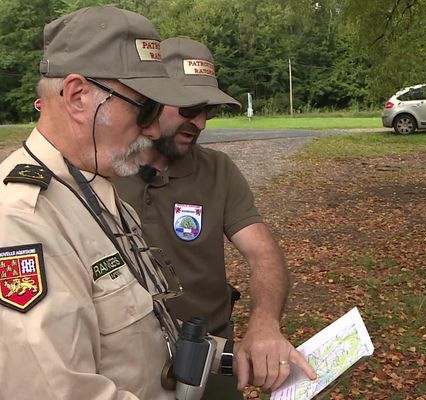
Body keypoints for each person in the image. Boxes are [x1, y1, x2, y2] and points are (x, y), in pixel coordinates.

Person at [0, 6, 234, 399]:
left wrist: (230, 355)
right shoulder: (22, 222)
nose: (155, 128)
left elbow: (143, 333)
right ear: (77, 97)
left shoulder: (95, 188)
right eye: (146, 108)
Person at [115, 37, 317, 398]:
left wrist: (265, 324)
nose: (201, 123)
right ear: (152, 98)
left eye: (209, 111)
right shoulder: (103, 169)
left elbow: (263, 253)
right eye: (190, 107)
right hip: (125, 363)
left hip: (209, 356)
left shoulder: (218, 170)